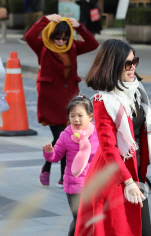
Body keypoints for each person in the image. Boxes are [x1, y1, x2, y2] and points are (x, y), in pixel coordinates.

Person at [75, 39, 151, 236]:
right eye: (128, 63)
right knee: (118, 229)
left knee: (141, 229)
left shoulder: (137, 91)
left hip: (133, 172)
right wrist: (128, 182)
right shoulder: (104, 101)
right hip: (113, 176)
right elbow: (109, 148)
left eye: (135, 61)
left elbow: (136, 129)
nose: (133, 67)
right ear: (113, 65)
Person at [25, 14, 99, 188]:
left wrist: (79, 26)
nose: (60, 42)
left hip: (69, 99)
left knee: (66, 136)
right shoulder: (42, 46)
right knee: (61, 136)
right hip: (50, 98)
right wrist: (46, 20)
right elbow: (29, 36)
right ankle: (60, 175)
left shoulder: (73, 47)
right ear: (50, 36)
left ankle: (48, 168)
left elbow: (93, 44)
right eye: (57, 38)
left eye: (65, 38)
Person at [43, 95, 98, 236]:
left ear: (90, 116)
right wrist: (49, 153)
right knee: (79, 218)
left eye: (80, 115)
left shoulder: (98, 133)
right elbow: (56, 157)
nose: (76, 119)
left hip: (96, 183)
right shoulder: (65, 135)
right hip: (75, 185)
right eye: (72, 116)